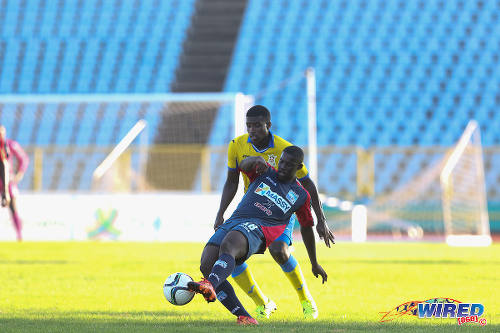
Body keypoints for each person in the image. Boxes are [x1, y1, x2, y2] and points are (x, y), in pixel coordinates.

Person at [214, 105, 334, 319]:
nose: (252, 130)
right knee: (230, 253)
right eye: (248, 125)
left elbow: (309, 186)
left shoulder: (284, 149)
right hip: (250, 207)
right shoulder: (237, 145)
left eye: (257, 125)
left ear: (268, 125)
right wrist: (220, 213)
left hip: (280, 209)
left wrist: (321, 220)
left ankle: (306, 300)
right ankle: (263, 303)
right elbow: (231, 182)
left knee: (279, 250)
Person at [190, 147, 328, 325]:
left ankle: (210, 284)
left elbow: (307, 228)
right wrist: (255, 160)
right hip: (236, 219)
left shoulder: (301, 195)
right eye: (282, 161)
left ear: (299, 166)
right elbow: (243, 165)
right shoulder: (265, 172)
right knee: (207, 263)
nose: (283, 166)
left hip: (262, 227)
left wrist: (314, 263)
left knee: (230, 244)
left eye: (289, 164)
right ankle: (244, 316)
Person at [0, 126, 29, 241]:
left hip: (7, 181)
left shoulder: (10, 145)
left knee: (13, 207)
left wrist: (19, 174)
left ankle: (19, 235)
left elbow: (23, 159)